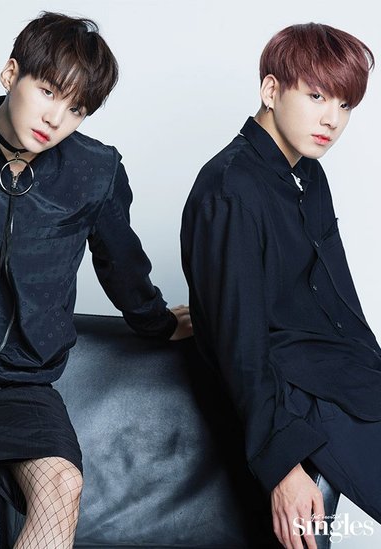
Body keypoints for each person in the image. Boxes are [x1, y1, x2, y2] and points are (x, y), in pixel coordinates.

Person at [0, 11, 191, 549]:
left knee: (62, 486)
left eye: (76, 108)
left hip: (21, 377)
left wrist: (156, 322)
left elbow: (121, 263)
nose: (55, 118)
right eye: (48, 91)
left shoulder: (96, 170)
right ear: (11, 73)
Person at [181, 22, 377, 549]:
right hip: (295, 393)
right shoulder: (230, 189)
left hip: (344, 379)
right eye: (316, 96)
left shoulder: (308, 175)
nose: (332, 119)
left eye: (344, 104)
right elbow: (241, 348)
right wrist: (283, 464)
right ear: (271, 90)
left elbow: (340, 306)